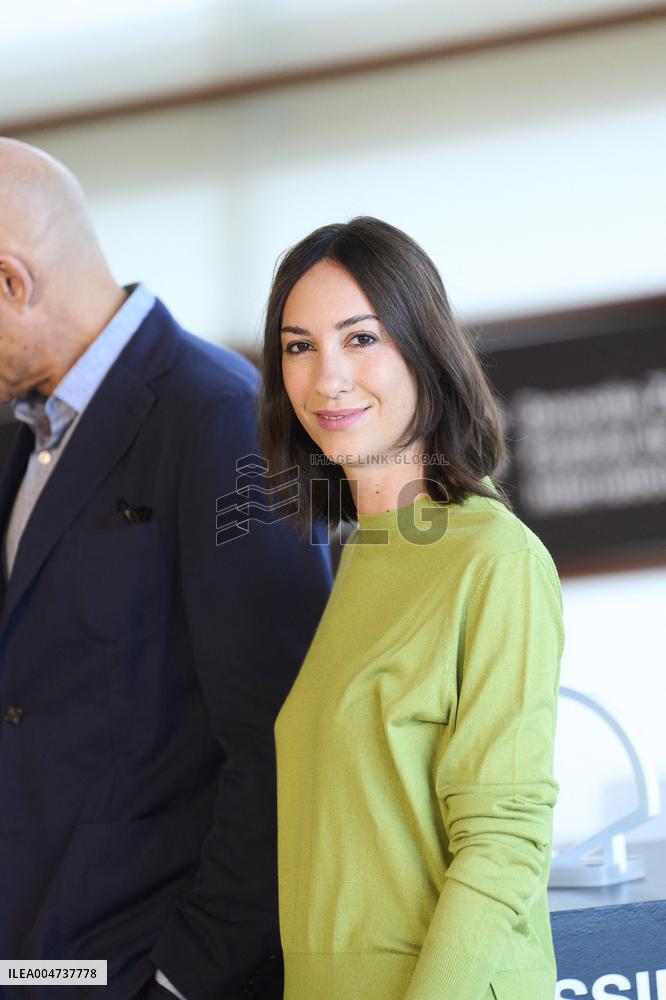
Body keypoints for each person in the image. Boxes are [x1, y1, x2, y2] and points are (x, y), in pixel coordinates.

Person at [0, 138, 333, 1000]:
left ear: (11, 282)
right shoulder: (22, 438)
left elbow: (285, 742)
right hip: (40, 966)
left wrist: (187, 981)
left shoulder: (220, 417)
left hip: (150, 970)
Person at [259, 216, 565, 1000]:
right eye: (299, 346)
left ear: (424, 349)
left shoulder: (494, 557)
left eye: (360, 339)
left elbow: (504, 844)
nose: (326, 377)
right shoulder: (363, 552)